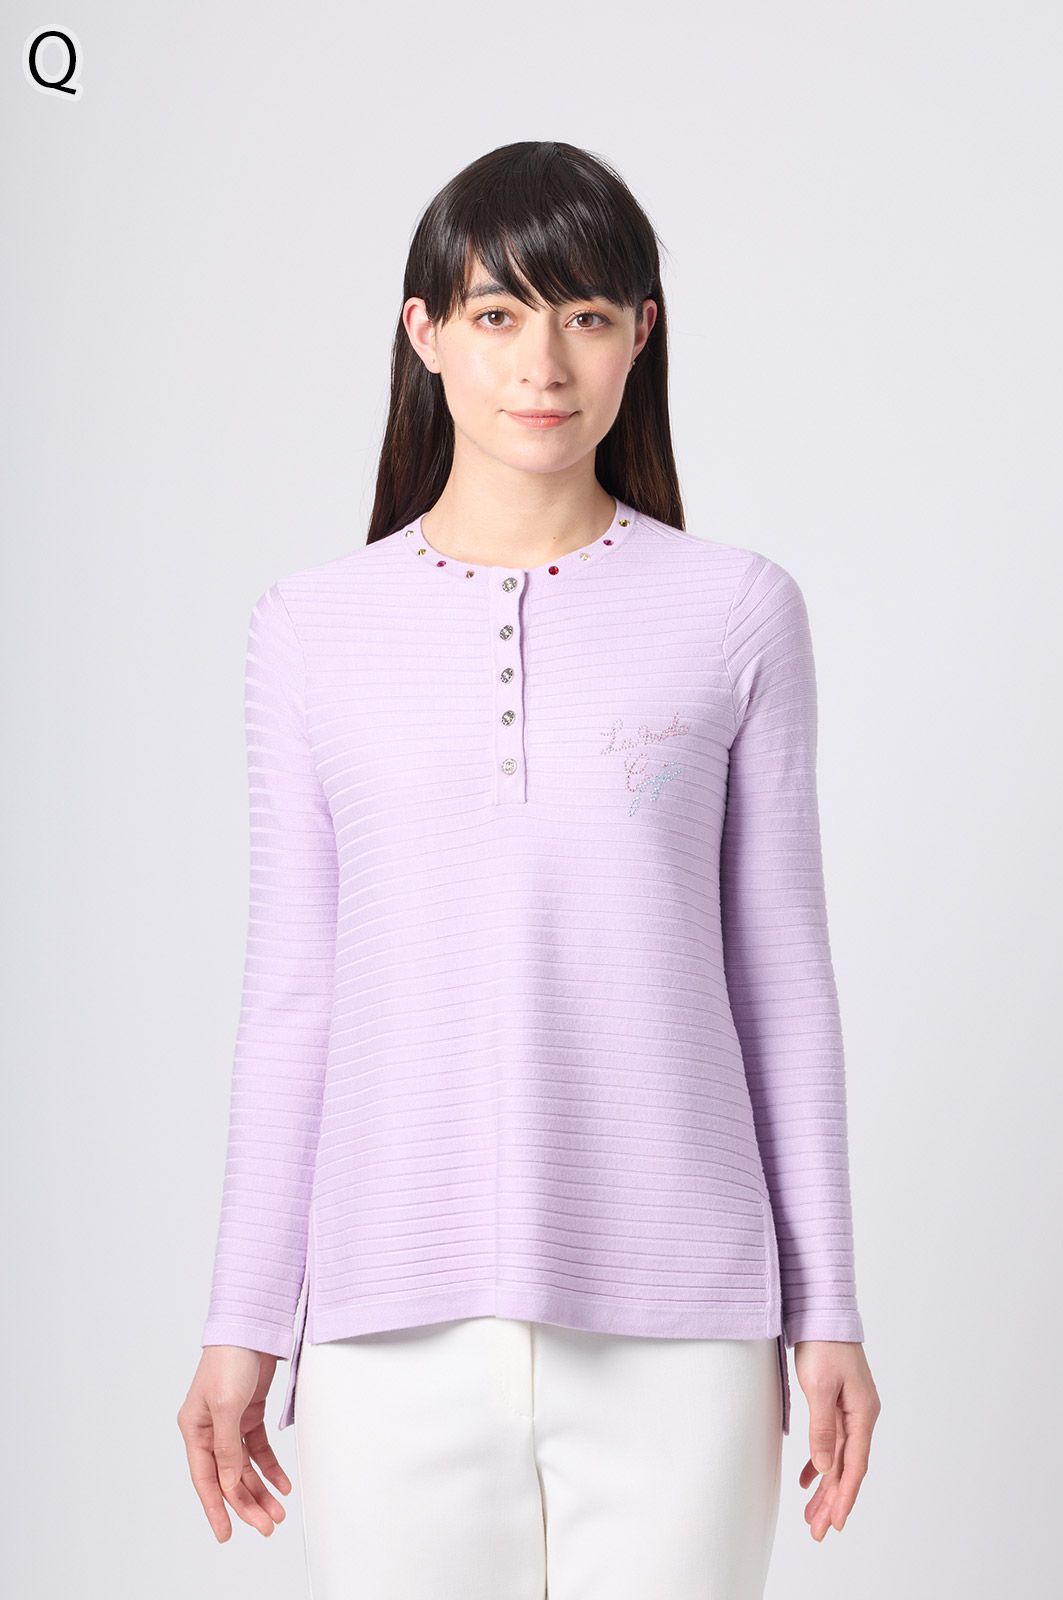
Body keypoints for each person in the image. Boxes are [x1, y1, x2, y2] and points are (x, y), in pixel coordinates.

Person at [178, 139, 881, 1597]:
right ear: (425, 332)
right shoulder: (309, 629)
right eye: (497, 313)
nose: (542, 362)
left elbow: (782, 982)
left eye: (587, 314)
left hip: (687, 1325)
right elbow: (295, 996)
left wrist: (827, 1309)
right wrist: (244, 1319)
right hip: (386, 1323)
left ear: (641, 334)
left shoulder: (737, 611)